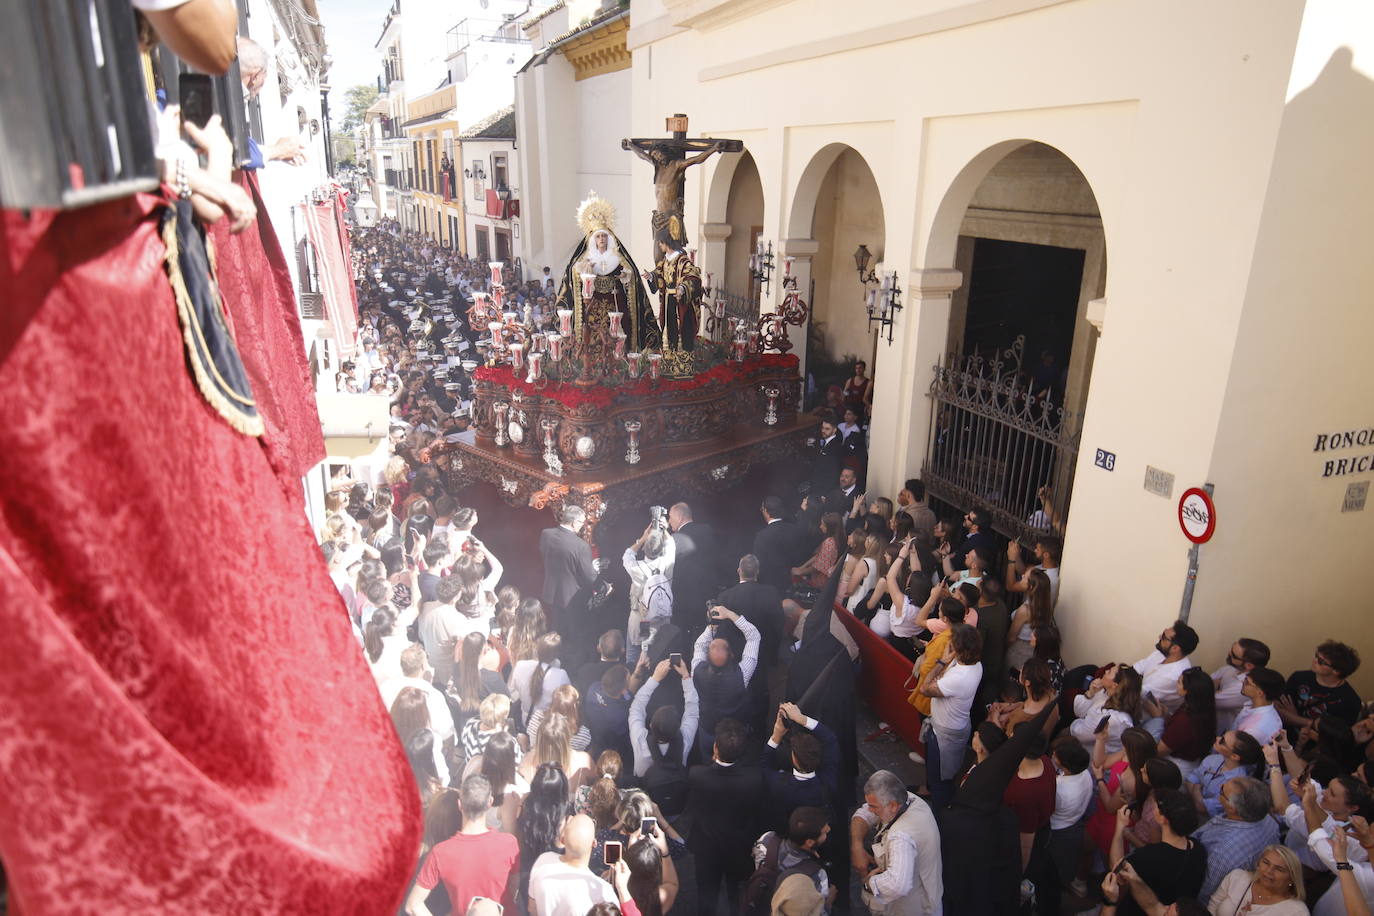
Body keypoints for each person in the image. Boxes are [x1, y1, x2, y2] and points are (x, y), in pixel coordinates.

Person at [553, 196, 661, 357]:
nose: (601, 239)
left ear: (609, 238)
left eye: (604, 236)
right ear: (593, 240)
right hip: (590, 307)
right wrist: (582, 272)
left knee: (615, 337)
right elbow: (572, 278)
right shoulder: (584, 261)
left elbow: (632, 280)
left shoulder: (618, 259)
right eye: (598, 236)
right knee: (591, 335)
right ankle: (588, 361)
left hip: (615, 306)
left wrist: (626, 277)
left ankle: (618, 361)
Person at [406, 775, 520, 916]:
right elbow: (514, 884)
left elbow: (412, 906)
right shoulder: (509, 843)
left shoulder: (440, 852)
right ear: (490, 802)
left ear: (460, 805)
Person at [688, 717, 767, 916]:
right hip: (740, 849)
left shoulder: (697, 775)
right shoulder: (754, 779)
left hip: (707, 850)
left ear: (715, 748)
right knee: (738, 897)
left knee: (706, 896)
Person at [851, 769, 943, 915]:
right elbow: (863, 814)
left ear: (893, 805)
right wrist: (857, 846)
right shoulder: (909, 799)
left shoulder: (901, 838)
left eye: (873, 806)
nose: (870, 809)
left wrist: (869, 883)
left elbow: (898, 885)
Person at [1109, 789, 1208, 916]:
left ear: (1163, 819)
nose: (1152, 808)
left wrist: (1119, 827)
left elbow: (1116, 869)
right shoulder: (1197, 849)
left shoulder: (1147, 857)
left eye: (1155, 807)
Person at [919, 623, 984, 811]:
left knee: (942, 779)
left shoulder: (959, 677)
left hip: (944, 734)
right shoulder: (975, 665)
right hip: (951, 727)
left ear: (958, 649)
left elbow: (925, 687)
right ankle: (931, 792)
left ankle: (940, 815)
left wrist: (941, 661)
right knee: (939, 772)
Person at [1191, 776, 1281, 901]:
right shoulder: (1268, 820)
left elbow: (1204, 892)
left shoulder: (1222, 851)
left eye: (1222, 790)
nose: (1218, 787)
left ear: (1231, 808)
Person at [691, 604, 762, 758]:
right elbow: (753, 636)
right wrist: (730, 614)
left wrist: (712, 627)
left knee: (707, 763)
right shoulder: (742, 674)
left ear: (707, 657)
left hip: (707, 729)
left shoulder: (696, 670)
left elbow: (700, 645)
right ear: (732, 655)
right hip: (733, 734)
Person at [764, 702, 841, 834]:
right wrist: (801, 718)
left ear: (794, 758)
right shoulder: (828, 781)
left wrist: (776, 735)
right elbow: (830, 739)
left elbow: (764, 764)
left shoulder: (778, 784)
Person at [527, 813, 619, 916]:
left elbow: (532, 908)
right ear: (594, 844)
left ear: (562, 840)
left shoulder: (543, 860)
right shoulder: (603, 891)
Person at [749, 806, 834, 913]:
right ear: (810, 842)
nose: (829, 830)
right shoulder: (816, 874)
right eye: (824, 832)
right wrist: (829, 902)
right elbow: (818, 911)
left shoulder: (767, 840)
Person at [1279, 641, 1364, 734]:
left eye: (1321, 661)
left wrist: (1295, 718)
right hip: (1282, 733)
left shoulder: (1350, 701)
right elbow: (1278, 710)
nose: (1315, 660)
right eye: (1316, 655)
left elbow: (1338, 738)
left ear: (1336, 671)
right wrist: (1312, 724)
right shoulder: (1298, 677)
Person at [668, 502, 724, 640]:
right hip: (709, 597)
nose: (669, 522)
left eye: (670, 517)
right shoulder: (707, 530)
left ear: (680, 517)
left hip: (685, 602)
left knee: (687, 641)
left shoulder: (673, 540)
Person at [623, 524, 676, 665]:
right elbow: (671, 545)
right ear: (661, 549)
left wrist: (642, 538)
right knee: (658, 659)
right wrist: (664, 528)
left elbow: (627, 555)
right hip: (661, 620)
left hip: (639, 618)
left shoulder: (635, 567)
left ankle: (632, 685)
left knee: (633, 658)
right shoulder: (667, 563)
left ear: (645, 549)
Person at [539, 505, 599, 629]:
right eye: (582, 522)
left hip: (551, 591)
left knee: (554, 627)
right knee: (571, 633)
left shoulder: (546, 534)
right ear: (574, 523)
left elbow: (543, 553)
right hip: (571, 598)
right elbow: (589, 577)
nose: (583, 525)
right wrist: (604, 585)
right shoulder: (581, 546)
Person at [1207, 845, 1309, 915]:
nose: (1269, 871)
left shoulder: (1297, 912)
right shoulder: (1237, 877)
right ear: (1258, 863)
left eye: (1279, 869)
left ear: (1291, 878)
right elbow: (1211, 908)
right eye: (1266, 862)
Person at [1188, 730, 1264, 818]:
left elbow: (1202, 807)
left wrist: (1196, 787)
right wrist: (1197, 797)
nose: (1217, 738)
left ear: (1234, 756)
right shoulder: (1213, 759)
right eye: (1222, 734)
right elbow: (1190, 778)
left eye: (1222, 741)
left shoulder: (1236, 785)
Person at [1134, 621, 1200, 717]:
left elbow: (1140, 694)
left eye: (1164, 637)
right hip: (1135, 699)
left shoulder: (1174, 676)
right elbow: (1139, 666)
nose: (1159, 637)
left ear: (1175, 648)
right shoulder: (1163, 652)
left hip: (1145, 716)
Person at [1214, 638, 1272, 732]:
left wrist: (1215, 685)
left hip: (1222, 734)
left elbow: (1205, 698)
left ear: (1249, 665)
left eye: (1233, 655)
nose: (1229, 653)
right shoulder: (1231, 668)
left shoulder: (1244, 687)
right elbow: (1208, 682)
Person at [1005, 567, 1053, 674]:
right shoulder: (1044, 604)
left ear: (1030, 586)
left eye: (1025, 578)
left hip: (1019, 650)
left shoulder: (1025, 610)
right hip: (1033, 650)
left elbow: (1011, 637)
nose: (1022, 577)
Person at [754, 495, 806, 592]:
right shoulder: (794, 529)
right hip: (791, 582)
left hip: (770, 586)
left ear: (766, 511)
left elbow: (759, 564)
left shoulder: (762, 536)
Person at [792, 512, 845, 590]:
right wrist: (801, 567)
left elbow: (818, 567)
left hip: (820, 582)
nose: (820, 527)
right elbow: (818, 556)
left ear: (830, 528)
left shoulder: (829, 542)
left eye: (823, 525)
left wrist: (800, 572)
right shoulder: (837, 539)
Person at [1235, 668, 1287, 743]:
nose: (1243, 682)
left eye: (1247, 682)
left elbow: (1235, 752)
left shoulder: (1256, 728)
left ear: (1260, 693)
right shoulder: (1253, 705)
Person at [810, 421, 844, 496]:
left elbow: (834, 473)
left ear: (834, 430)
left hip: (825, 489)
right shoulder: (822, 441)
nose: (823, 431)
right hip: (816, 483)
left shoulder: (836, 448)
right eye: (822, 428)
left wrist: (825, 494)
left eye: (827, 429)